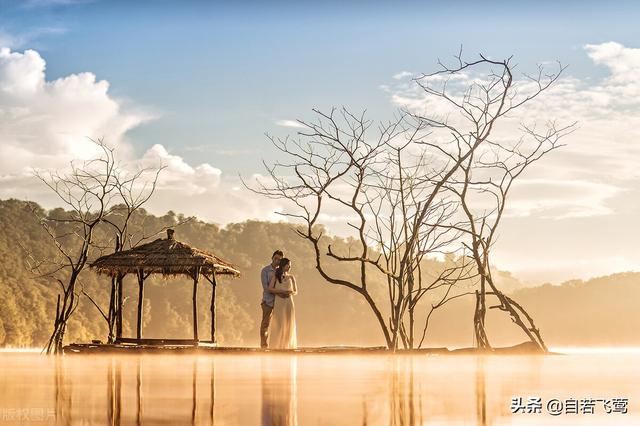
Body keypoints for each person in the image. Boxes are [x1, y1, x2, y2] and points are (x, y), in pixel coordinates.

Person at [260, 250, 291, 348]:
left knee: (279, 325)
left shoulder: (282, 272)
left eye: (279, 260)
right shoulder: (265, 270)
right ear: (272, 258)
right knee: (265, 325)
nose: (277, 261)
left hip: (280, 303)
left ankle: (278, 345)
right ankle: (264, 346)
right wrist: (281, 293)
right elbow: (266, 288)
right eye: (275, 258)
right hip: (268, 302)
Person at [267, 258, 297, 350]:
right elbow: (270, 288)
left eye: (290, 265)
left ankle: (286, 345)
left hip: (289, 301)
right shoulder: (276, 276)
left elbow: (295, 291)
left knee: (288, 322)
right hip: (279, 301)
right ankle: (276, 346)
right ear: (283, 265)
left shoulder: (291, 277)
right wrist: (281, 292)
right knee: (279, 322)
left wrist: (289, 292)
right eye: (288, 265)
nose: (289, 267)